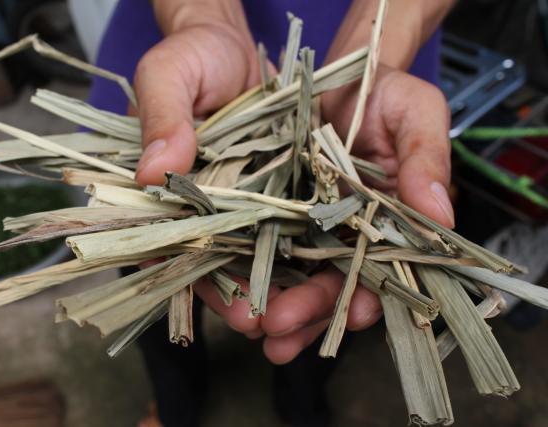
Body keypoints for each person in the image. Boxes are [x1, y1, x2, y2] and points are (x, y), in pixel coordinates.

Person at [88, 1, 457, 426]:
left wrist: (369, 59)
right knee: (154, 270)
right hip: (197, 78)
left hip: (380, 52)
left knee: (328, 302)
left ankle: (301, 405)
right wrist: (206, 19)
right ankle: (176, 406)